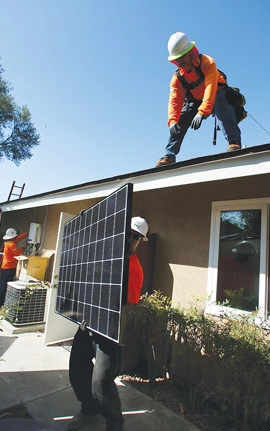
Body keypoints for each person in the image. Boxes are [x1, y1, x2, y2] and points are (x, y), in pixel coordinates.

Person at [67, 216, 149, 431]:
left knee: (101, 382)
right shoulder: (102, 256)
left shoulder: (134, 268)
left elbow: (127, 307)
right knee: (77, 369)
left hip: (108, 328)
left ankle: (115, 424)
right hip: (87, 321)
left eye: (137, 237)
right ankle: (89, 409)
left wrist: (115, 337)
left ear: (140, 241)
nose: (131, 240)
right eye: (129, 234)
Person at [156, 32, 241, 166]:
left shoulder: (208, 62)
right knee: (180, 119)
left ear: (190, 54)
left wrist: (202, 112)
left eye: (182, 61)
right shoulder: (177, 78)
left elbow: (210, 88)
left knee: (221, 100)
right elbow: (175, 100)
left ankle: (234, 141)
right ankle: (169, 155)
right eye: (177, 62)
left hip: (217, 93)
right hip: (196, 100)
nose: (180, 65)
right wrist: (172, 121)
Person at [0, 227, 26, 308]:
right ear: (12, 236)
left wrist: (27, 234)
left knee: (2, 284)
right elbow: (16, 254)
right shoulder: (11, 244)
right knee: (4, 285)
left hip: (5, 267)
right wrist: (22, 249)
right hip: (9, 268)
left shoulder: (8, 242)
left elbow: (18, 238)